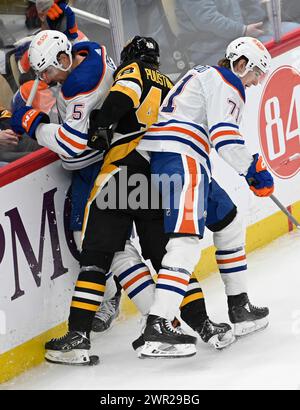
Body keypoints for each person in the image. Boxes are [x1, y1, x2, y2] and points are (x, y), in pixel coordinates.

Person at [39, 35, 235, 365]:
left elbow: (121, 96)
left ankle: (78, 337)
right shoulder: (170, 83)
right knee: (165, 258)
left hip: (122, 172)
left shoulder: (133, 72)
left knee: (97, 255)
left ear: (131, 57)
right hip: (158, 175)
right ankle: (205, 325)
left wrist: (101, 127)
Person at [136, 36, 274, 357]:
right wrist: (252, 170)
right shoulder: (229, 82)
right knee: (184, 243)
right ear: (240, 64)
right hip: (181, 158)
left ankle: (239, 309)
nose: (255, 82)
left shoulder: (207, 74)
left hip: (180, 157)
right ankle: (158, 324)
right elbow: (224, 136)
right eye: (255, 73)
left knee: (228, 220)